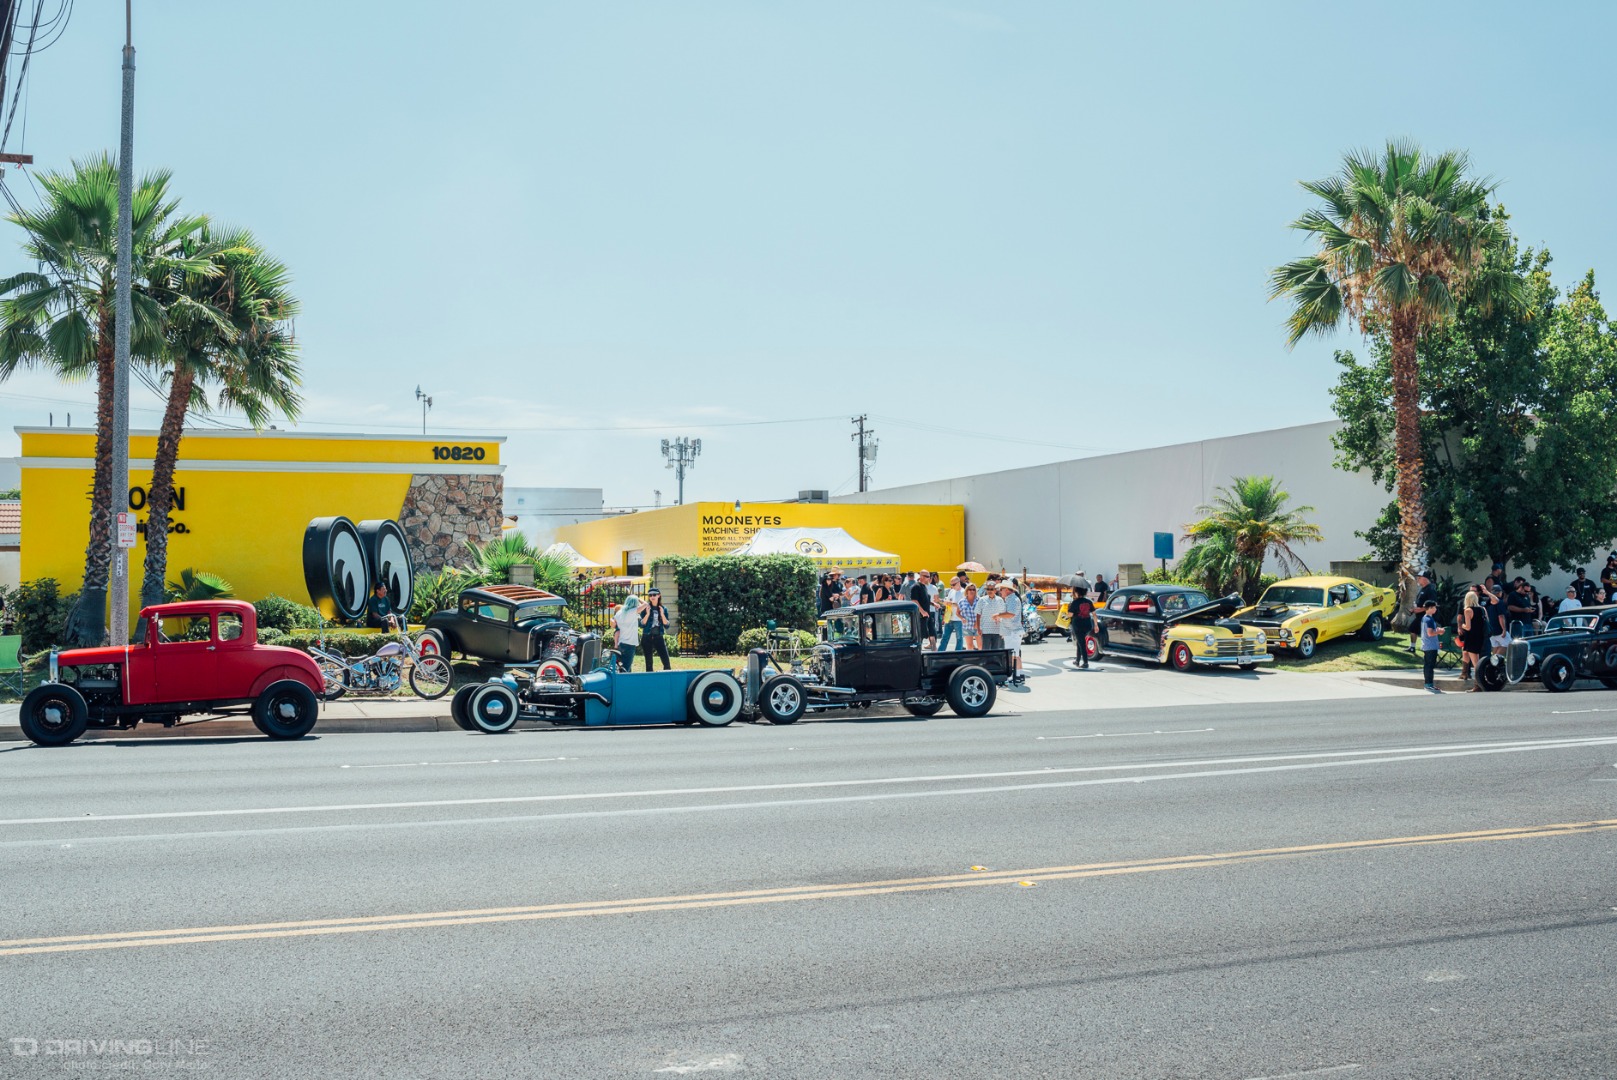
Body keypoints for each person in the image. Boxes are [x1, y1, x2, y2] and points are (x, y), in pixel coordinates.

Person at [992, 581, 1024, 684]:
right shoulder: (1011, 599)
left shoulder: (1012, 599)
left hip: (1012, 631)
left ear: (1006, 589)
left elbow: (1011, 614)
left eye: (1001, 589)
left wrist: (998, 615)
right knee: (1015, 654)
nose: (999, 591)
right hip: (1012, 631)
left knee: (1013, 656)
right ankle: (1019, 675)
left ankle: (1016, 677)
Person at [1459, 591, 1488, 687]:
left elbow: (1468, 627)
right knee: (1465, 652)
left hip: (1471, 637)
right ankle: (1465, 673)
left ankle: (1478, 684)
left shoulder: (1468, 610)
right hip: (1480, 635)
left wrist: (1462, 625)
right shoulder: (1482, 609)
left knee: (1476, 662)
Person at [639, 588, 671, 671]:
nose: (652, 597)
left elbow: (667, 625)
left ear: (659, 595)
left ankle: (667, 677)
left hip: (659, 637)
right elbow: (642, 625)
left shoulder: (663, 608)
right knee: (649, 663)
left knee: (666, 662)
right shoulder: (645, 608)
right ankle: (650, 678)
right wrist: (647, 614)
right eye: (650, 595)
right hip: (647, 637)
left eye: (654, 595)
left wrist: (662, 614)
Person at [1067, 586, 1096, 670]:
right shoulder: (1088, 601)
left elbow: (1070, 615)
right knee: (1080, 642)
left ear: (1077, 592)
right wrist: (1096, 625)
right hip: (1087, 625)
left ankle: (1085, 662)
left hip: (1078, 625)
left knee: (1082, 643)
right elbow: (1094, 614)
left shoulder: (1075, 602)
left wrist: (1068, 610)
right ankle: (1077, 660)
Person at [1407, 570, 1436, 653]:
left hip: (1426, 616)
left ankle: (1429, 650)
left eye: (1419, 578)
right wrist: (1414, 609)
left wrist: (1420, 610)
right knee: (1413, 629)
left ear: (1425, 579)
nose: (1417, 579)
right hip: (1420, 616)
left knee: (1415, 629)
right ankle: (1413, 647)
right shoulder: (1423, 589)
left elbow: (1432, 604)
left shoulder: (1430, 589)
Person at [612, 593, 642, 671]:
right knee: (626, 668)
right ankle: (623, 678)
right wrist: (638, 599)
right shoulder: (633, 611)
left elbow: (614, 625)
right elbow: (645, 604)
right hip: (630, 644)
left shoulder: (619, 613)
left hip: (621, 643)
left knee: (622, 665)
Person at [1420, 599, 1442, 692]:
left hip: (1427, 645)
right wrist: (1439, 631)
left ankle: (1428, 684)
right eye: (1434, 607)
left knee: (1428, 665)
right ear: (1430, 608)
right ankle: (1428, 684)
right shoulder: (1429, 619)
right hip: (1430, 645)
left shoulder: (1425, 618)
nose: (1435, 609)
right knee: (1429, 666)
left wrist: (1436, 630)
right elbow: (1430, 633)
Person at [958, 584, 981, 650]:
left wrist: (977, 623)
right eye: (970, 589)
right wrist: (962, 618)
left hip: (978, 626)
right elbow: (957, 613)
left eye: (973, 589)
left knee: (980, 645)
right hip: (967, 626)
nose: (972, 591)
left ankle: (982, 657)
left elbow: (982, 612)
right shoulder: (962, 601)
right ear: (967, 591)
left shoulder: (979, 600)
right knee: (969, 646)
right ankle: (971, 657)